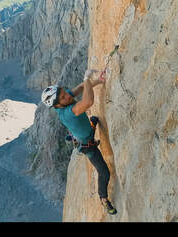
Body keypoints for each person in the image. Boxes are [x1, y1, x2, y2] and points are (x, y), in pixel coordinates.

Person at [41, 69, 117, 215]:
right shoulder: (68, 112)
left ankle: (77, 134)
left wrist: (98, 81)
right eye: (63, 97)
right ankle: (103, 198)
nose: (67, 96)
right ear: (57, 106)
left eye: (64, 92)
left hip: (85, 132)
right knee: (104, 172)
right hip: (87, 146)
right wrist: (86, 78)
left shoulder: (62, 101)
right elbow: (88, 101)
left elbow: (82, 87)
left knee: (94, 120)